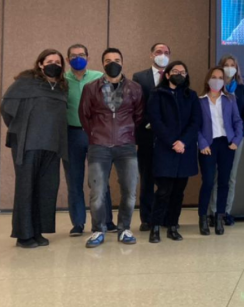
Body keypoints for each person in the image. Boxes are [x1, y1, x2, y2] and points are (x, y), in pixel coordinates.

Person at [1, 49, 68, 248]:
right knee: (26, 188)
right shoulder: (25, 83)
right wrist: (19, 129)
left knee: (46, 189)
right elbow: (6, 108)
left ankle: (37, 231)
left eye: (57, 61)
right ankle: (24, 235)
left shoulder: (63, 87)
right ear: (40, 63)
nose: (53, 64)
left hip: (52, 146)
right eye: (49, 61)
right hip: (28, 144)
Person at [79, 48, 144, 248]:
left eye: (116, 59)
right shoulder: (91, 88)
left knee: (130, 190)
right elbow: (84, 115)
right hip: (99, 146)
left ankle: (124, 228)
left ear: (122, 62)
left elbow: (139, 115)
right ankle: (98, 230)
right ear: (103, 64)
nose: (112, 63)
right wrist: (97, 134)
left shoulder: (134, 88)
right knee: (97, 192)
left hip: (126, 146)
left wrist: (128, 134)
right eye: (108, 60)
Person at [62, 43, 116, 237]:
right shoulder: (62, 79)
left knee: (100, 180)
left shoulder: (99, 78)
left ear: (88, 57)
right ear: (67, 60)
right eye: (74, 56)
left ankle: (107, 220)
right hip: (71, 134)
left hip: (95, 134)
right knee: (74, 180)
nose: (78, 58)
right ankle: (77, 223)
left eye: (82, 54)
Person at [146, 61, 202, 243]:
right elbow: (155, 121)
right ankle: (154, 227)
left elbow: (195, 122)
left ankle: (172, 226)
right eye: (176, 71)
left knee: (179, 192)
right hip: (165, 149)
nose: (180, 74)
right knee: (163, 191)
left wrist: (183, 141)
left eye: (183, 72)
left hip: (184, 150)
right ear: (168, 75)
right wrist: (172, 142)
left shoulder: (191, 96)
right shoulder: (157, 94)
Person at [198, 67, 244, 236]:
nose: (217, 80)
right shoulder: (200, 101)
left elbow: (238, 121)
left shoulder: (230, 99)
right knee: (208, 182)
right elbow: (195, 126)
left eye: (220, 77)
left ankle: (219, 218)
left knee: (224, 182)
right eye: (213, 77)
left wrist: (236, 140)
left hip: (226, 144)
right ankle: (203, 218)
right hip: (208, 145)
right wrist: (202, 143)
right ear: (208, 79)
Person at [207, 55, 244, 227]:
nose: (229, 68)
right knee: (215, 176)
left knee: (230, 177)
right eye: (226, 65)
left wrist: (238, 135)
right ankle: (212, 212)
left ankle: (225, 212)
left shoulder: (241, 89)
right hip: (216, 137)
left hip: (235, 139)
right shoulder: (214, 87)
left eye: (232, 65)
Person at [132, 42, 171, 232]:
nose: (162, 55)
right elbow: (137, 106)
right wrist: (150, 123)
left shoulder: (174, 75)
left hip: (167, 139)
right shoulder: (139, 77)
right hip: (146, 136)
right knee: (147, 179)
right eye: (158, 52)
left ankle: (163, 216)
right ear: (151, 55)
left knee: (166, 179)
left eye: (165, 52)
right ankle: (146, 219)